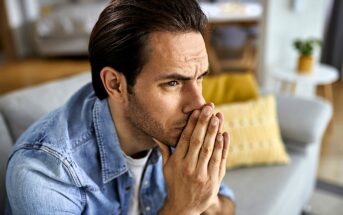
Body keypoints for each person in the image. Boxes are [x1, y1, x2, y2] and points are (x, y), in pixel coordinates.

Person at [6, 0, 236, 214]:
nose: (199, 104)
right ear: (115, 84)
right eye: (173, 83)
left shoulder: (174, 129)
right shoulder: (45, 174)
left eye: (199, 78)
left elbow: (226, 204)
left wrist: (206, 197)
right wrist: (183, 208)